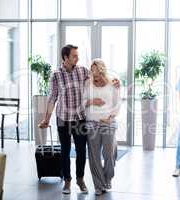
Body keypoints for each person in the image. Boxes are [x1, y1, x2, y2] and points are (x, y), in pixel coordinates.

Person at [38, 45, 120, 194]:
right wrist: (46, 119)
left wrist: (115, 81)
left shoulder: (82, 71)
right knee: (65, 150)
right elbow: (52, 98)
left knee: (81, 150)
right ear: (65, 58)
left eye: (77, 55)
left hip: (79, 119)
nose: (78, 58)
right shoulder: (56, 75)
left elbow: (99, 77)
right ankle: (67, 181)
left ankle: (80, 179)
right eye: (74, 56)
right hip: (63, 118)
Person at [83, 58, 121, 196]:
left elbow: (117, 103)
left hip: (108, 122)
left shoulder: (112, 84)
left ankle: (108, 178)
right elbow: (81, 103)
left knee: (109, 154)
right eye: (92, 71)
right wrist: (92, 101)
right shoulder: (88, 83)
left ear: (102, 70)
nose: (94, 74)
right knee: (94, 156)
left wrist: (110, 117)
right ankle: (99, 185)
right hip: (92, 122)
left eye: (97, 71)